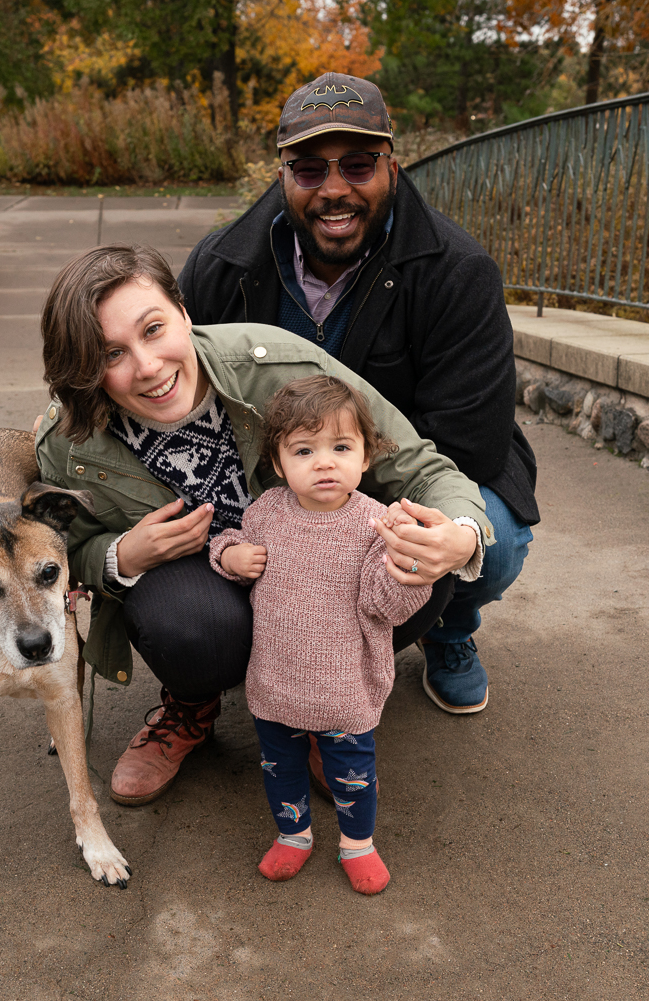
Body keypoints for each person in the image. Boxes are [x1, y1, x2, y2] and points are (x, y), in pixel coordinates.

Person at [34, 244, 491, 807]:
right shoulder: (70, 441)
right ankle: (190, 705)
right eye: (110, 354)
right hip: (203, 587)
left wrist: (462, 532)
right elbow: (58, 553)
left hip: (315, 574)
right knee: (186, 626)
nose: (147, 366)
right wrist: (121, 555)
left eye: (153, 329)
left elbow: (420, 467)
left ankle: (328, 711)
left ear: (182, 309)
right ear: (84, 369)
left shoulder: (281, 367)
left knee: (419, 564)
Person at [177, 71, 540, 715]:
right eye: (310, 169)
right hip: (273, 480)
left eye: (357, 164)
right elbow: (176, 390)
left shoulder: (457, 271)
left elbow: (468, 437)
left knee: (495, 539)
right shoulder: (222, 266)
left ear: (392, 169)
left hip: (408, 470)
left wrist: (353, 521)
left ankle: (446, 627)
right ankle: (233, 674)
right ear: (283, 173)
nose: (335, 189)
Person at [209, 375, 433, 894]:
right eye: (304, 450)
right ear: (278, 462)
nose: (324, 462)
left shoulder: (377, 524)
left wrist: (410, 563)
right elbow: (227, 538)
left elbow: (387, 605)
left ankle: (359, 844)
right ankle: (294, 834)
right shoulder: (265, 512)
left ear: (366, 457)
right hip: (275, 682)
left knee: (352, 774)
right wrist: (230, 557)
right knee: (279, 766)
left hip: (344, 686)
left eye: (341, 447)